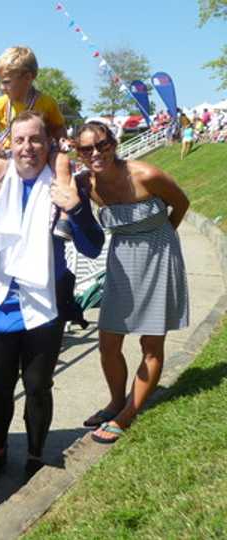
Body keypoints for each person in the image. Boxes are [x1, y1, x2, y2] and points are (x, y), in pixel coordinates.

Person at [0, 111, 104, 482]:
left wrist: (75, 207)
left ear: (49, 144)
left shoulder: (65, 186)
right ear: (10, 144)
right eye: (20, 140)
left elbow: (93, 247)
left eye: (36, 140)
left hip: (45, 305)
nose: (27, 147)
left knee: (38, 386)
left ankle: (34, 455)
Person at [68, 121, 189, 444]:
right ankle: (115, 401)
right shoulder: (86, 183)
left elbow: (182, 204)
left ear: (114, 143)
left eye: (103, 145)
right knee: (108, 343)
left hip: (159, 256)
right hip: (121, 260)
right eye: (86, 149)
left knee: (151, 344)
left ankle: (127, 414)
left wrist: (162, 240)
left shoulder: (146, 175)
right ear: (78, 152)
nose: (96, 153)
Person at [0, 45, 72, 241]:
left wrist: (62, 141)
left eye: (6, 82)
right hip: (12, 152)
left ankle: (65, 217)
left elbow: (57, 126)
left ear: (28, 78)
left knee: (62, 164)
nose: (2, 87)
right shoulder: (2, 103)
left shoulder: (46, 102)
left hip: (40, 152)